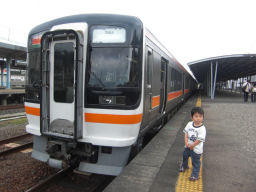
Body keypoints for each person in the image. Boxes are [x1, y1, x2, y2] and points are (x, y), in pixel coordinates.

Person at [179, 107, 206, 181]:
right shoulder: (189, 124)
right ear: (192, 117)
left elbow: (199, 140)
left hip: (196, 149)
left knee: (195, 162)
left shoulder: (202, 128)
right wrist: (186, 142)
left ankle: (195, 175)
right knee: (185, 156)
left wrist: (193, 145)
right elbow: (186, 133)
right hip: (187, 146)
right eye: (196, 116)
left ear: (203, 117)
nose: (198, 119)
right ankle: (184, 166)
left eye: (200, 116)